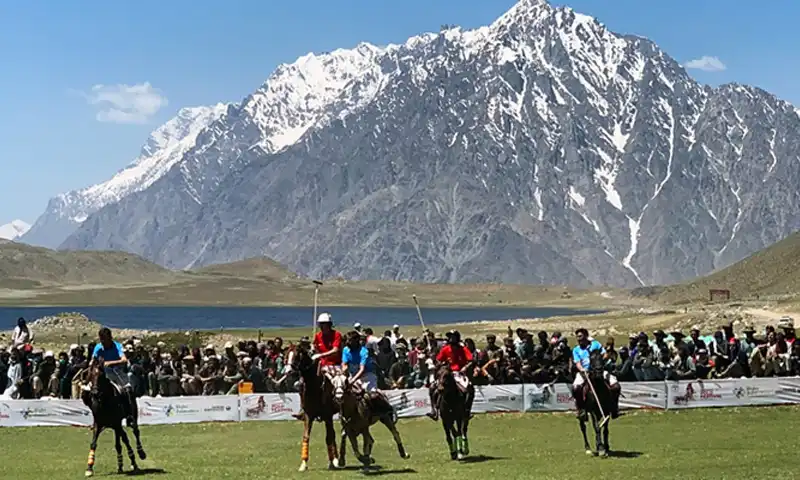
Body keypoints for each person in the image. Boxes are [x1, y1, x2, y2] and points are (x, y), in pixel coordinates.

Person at [571, 328, 620, 421]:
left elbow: (605, 355)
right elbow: (577, 363)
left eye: (580, 336)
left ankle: (614, 408)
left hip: (599, 370)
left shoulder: (596, 344)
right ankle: (581, 410)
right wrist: (582, 369)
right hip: (584, 372)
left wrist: (602, 360)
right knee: (575, 388)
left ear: (586, 336)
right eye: (577, 337)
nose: (578, 339)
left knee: (616, 386)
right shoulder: (576, 350)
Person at [341, 330, 393, 415]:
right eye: (347, 340)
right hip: (353, 375)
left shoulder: (364, 351)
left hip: (367, 375)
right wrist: (343, 370)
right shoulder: (346, 350)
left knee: (373, 396)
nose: (347, 342)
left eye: (349, 340)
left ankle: (386, 409)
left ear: (356, 341)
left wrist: (352, 381)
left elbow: (362, 369)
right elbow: (344, 364)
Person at [427, 330, 474, 421]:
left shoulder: (463, 349)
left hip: (459, 373)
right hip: (446, 373)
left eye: (454, 337)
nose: (452, 338)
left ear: (457, 338)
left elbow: (471, 361)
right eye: (450, 337)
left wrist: (465, 367)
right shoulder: (445, 349)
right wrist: (434, 359)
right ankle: (434, 411)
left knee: (469, 389)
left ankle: (467, 411)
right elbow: (438, 360)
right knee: (432, 387)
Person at [91, 327, 137, 418]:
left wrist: (111, 362)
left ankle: (130, 415)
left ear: (110, 338)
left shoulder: (118, 346)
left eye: (105, 339)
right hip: (104, 373)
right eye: (101, 339)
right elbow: (93, 360)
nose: (103, 342)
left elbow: (124, 360)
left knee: (128, 390)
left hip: (117, 372)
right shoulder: (98, 347)